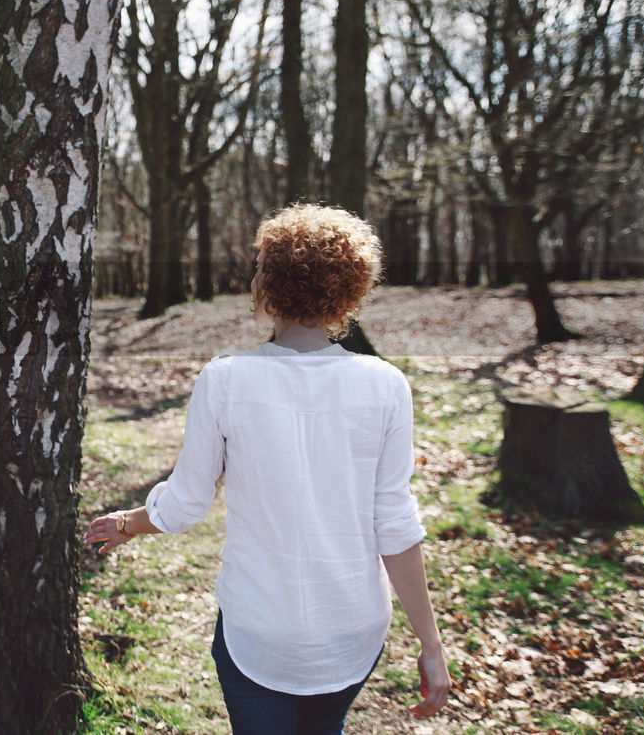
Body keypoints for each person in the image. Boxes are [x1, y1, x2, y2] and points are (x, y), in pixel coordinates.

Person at [84, 204, 450, 734]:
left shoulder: (226, 379)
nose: (252, 278)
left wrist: (128, 523)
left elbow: (186, 505)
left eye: (259, 268)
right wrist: (431, 645)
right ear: (347, 288)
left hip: (259, 633)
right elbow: (394, 526)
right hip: (352, 632)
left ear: (273, 286)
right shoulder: (386, 384)